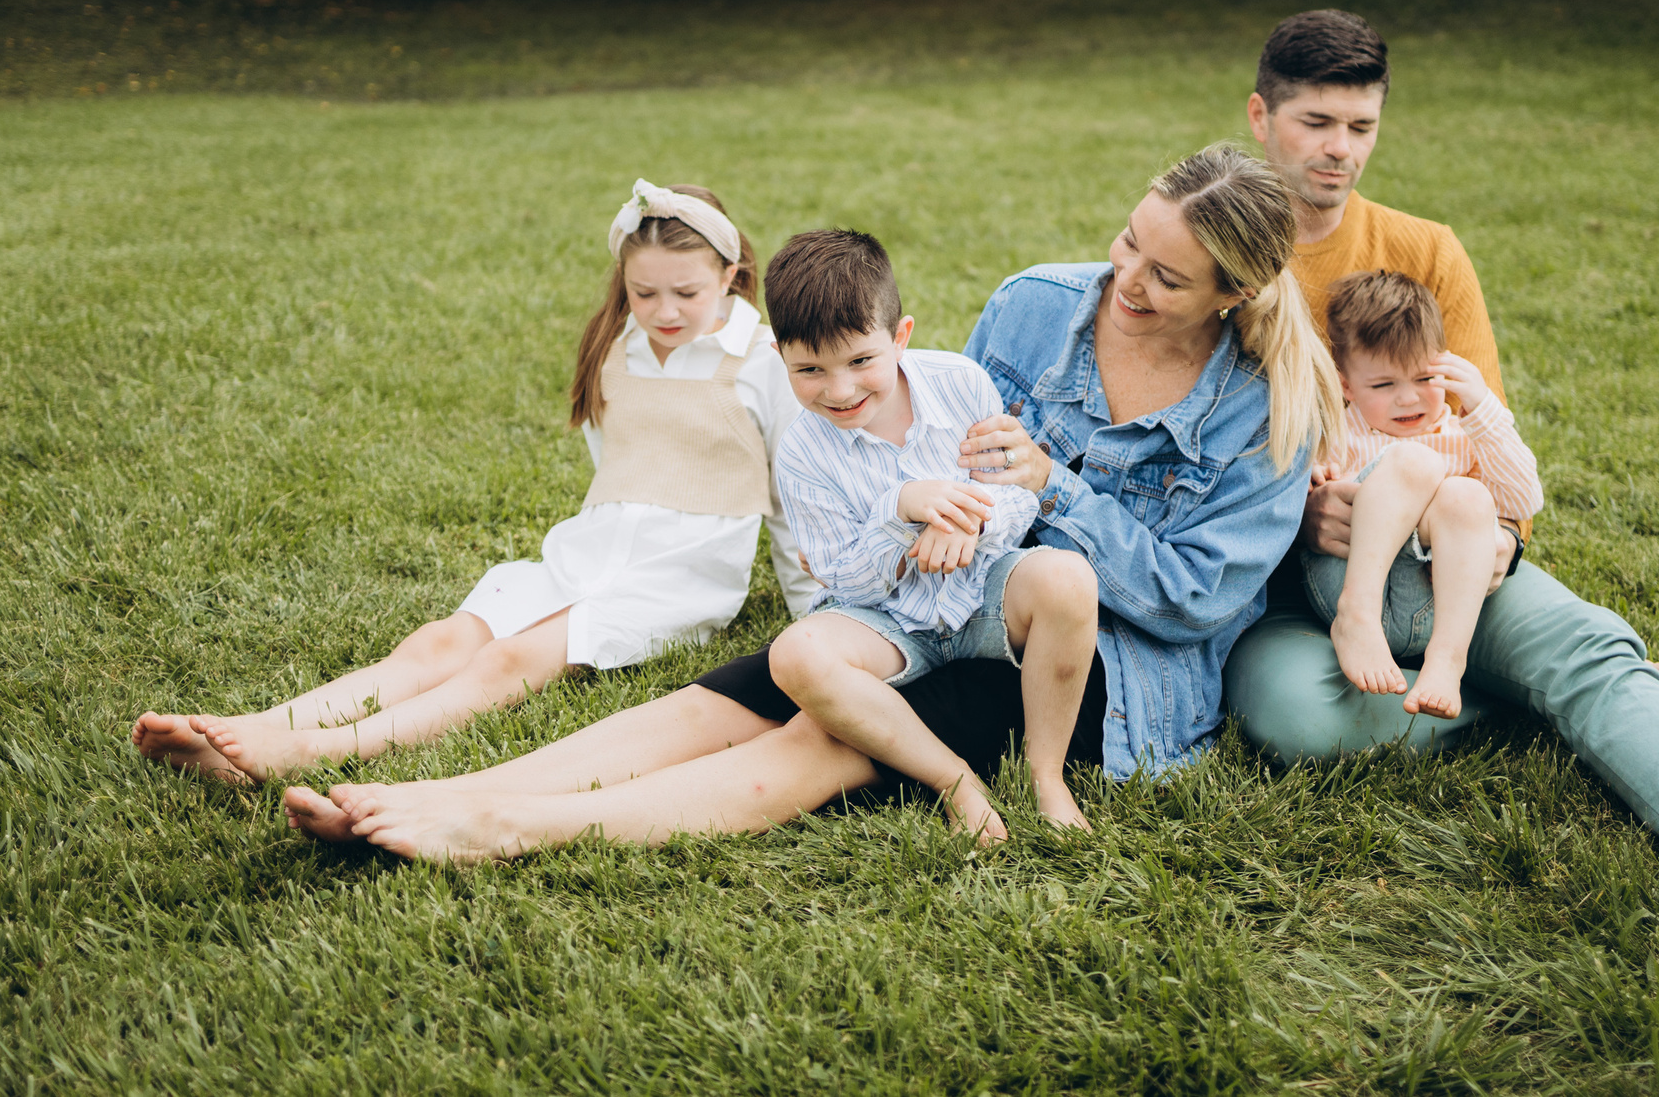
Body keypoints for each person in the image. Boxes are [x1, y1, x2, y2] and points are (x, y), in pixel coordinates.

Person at [276, 144, 1343, 861]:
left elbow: (1197, 600)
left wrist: (1049, 487)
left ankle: (502, 827)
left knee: (820, 743)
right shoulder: (1035, 305)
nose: (1125, 279)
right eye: (1127, 242)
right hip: (938, 588)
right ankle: (451, 790)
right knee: (728, 696)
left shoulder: (1262, 410)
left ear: (1231, 296)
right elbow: (922, 437)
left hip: (1103, 655)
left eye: (1164, 277)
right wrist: (922, 517)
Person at [1223, 9, 1659, 949]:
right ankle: (1555, 710)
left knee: (1573, 642)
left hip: (1440, 559)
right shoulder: (1220, 253)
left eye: (1362, 127)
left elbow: (1481, 440)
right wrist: (1300, 516)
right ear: (1262, 117)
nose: (1341, 150)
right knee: (1295, 713)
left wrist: (1500, 536)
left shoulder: (1425, 251)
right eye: (1316, 124)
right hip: (1276, 595)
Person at [130, 179, 813, 784]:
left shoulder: (761, 361)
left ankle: (317, 750)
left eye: (687, 292)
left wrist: (812, 610)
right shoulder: (619, 348)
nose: (664, 310)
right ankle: (251, 726)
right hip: (587, 551)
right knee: (439, 641)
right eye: (644, 292)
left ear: (730, 273)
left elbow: (790, 498)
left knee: (508, 658)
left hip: (676, 578)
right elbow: (618, 459)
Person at [757, 229, 1101, 841]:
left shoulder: (959, 383)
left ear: (900, 336)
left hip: (981, 594)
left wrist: (967, 520)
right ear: (781, 357)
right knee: (795, 655)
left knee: (1068, 577)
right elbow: (839, 576)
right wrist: (901, 511)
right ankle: (952, 779)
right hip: (885, 619)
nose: (839, 390)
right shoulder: (802, 452)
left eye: (861, 361)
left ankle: (1047, 775)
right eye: (809, 370)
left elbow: (1017, 495)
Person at [1315, 271, 1543, 719]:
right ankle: (1355, 619)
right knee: (1416, 462)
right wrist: (1314, 475)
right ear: (1346, 386)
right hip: (1350, 583)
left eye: (1424, 378)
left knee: (1469, 498)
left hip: (1436, 602)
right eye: (1383, 385)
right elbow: (1296, 490)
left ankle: (1447, 661)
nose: (1408, 399)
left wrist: (1481, 407)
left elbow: (1523, 502)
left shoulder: (1465, 433)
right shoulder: (1338, 429)